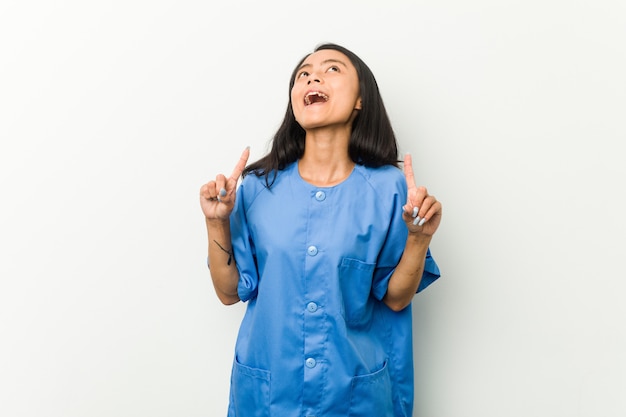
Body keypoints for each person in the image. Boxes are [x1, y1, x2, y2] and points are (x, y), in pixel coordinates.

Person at [199, 43, 442, 417]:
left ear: (361, 99)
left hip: (352, 397)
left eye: (332, 69)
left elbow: (395, 297)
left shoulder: (389, 189)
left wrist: (419, 238)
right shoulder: (256, 189)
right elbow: (229, 292)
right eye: (303, 74)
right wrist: (216, 220)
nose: (313, 76)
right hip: (268, 396)